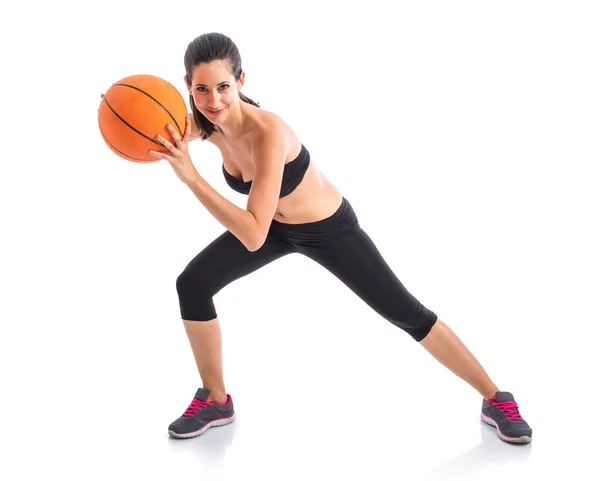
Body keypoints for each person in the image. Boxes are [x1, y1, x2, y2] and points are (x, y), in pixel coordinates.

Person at [148, 32, 532, 444]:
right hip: (276, 227)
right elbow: (157, 133)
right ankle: (215, 400)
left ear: (241, 81)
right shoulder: (205, 121)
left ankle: (495, 398)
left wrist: (190, 178)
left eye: (223, 87)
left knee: (407, 313)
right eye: (201, 89)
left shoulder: (268, 134)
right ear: (187, 85)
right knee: (192, 285)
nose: (214, 100)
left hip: (327, 230)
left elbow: (253, 234)